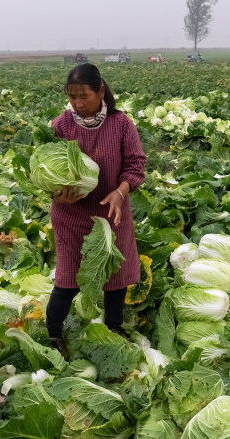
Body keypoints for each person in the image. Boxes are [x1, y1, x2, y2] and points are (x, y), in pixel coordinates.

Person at [45, 63, 146, 359]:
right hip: (70, 216)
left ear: (101, 91)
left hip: (111, 214)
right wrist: (56, 194)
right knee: (68, 279)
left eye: (84, 97)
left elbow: (135, 166)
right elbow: (43, 169)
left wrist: (120, 191)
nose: (77, 104)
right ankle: (53, 333)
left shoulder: (122, 124)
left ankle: (113, 326)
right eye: (72, 97)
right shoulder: (60, 126)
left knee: (115, 275)